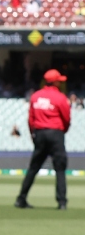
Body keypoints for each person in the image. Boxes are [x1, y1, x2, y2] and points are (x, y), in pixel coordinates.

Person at [15, 69, 72, 210]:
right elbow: (66, 118)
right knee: (60, 168)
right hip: (55, 133)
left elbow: (30, 119)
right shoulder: (60, 98)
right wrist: (61, 132)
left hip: (39, 133)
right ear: (56, 82)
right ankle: (62, 202)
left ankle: (21, 199)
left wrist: (33, 134)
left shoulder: (36, 96)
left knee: (33, 167)